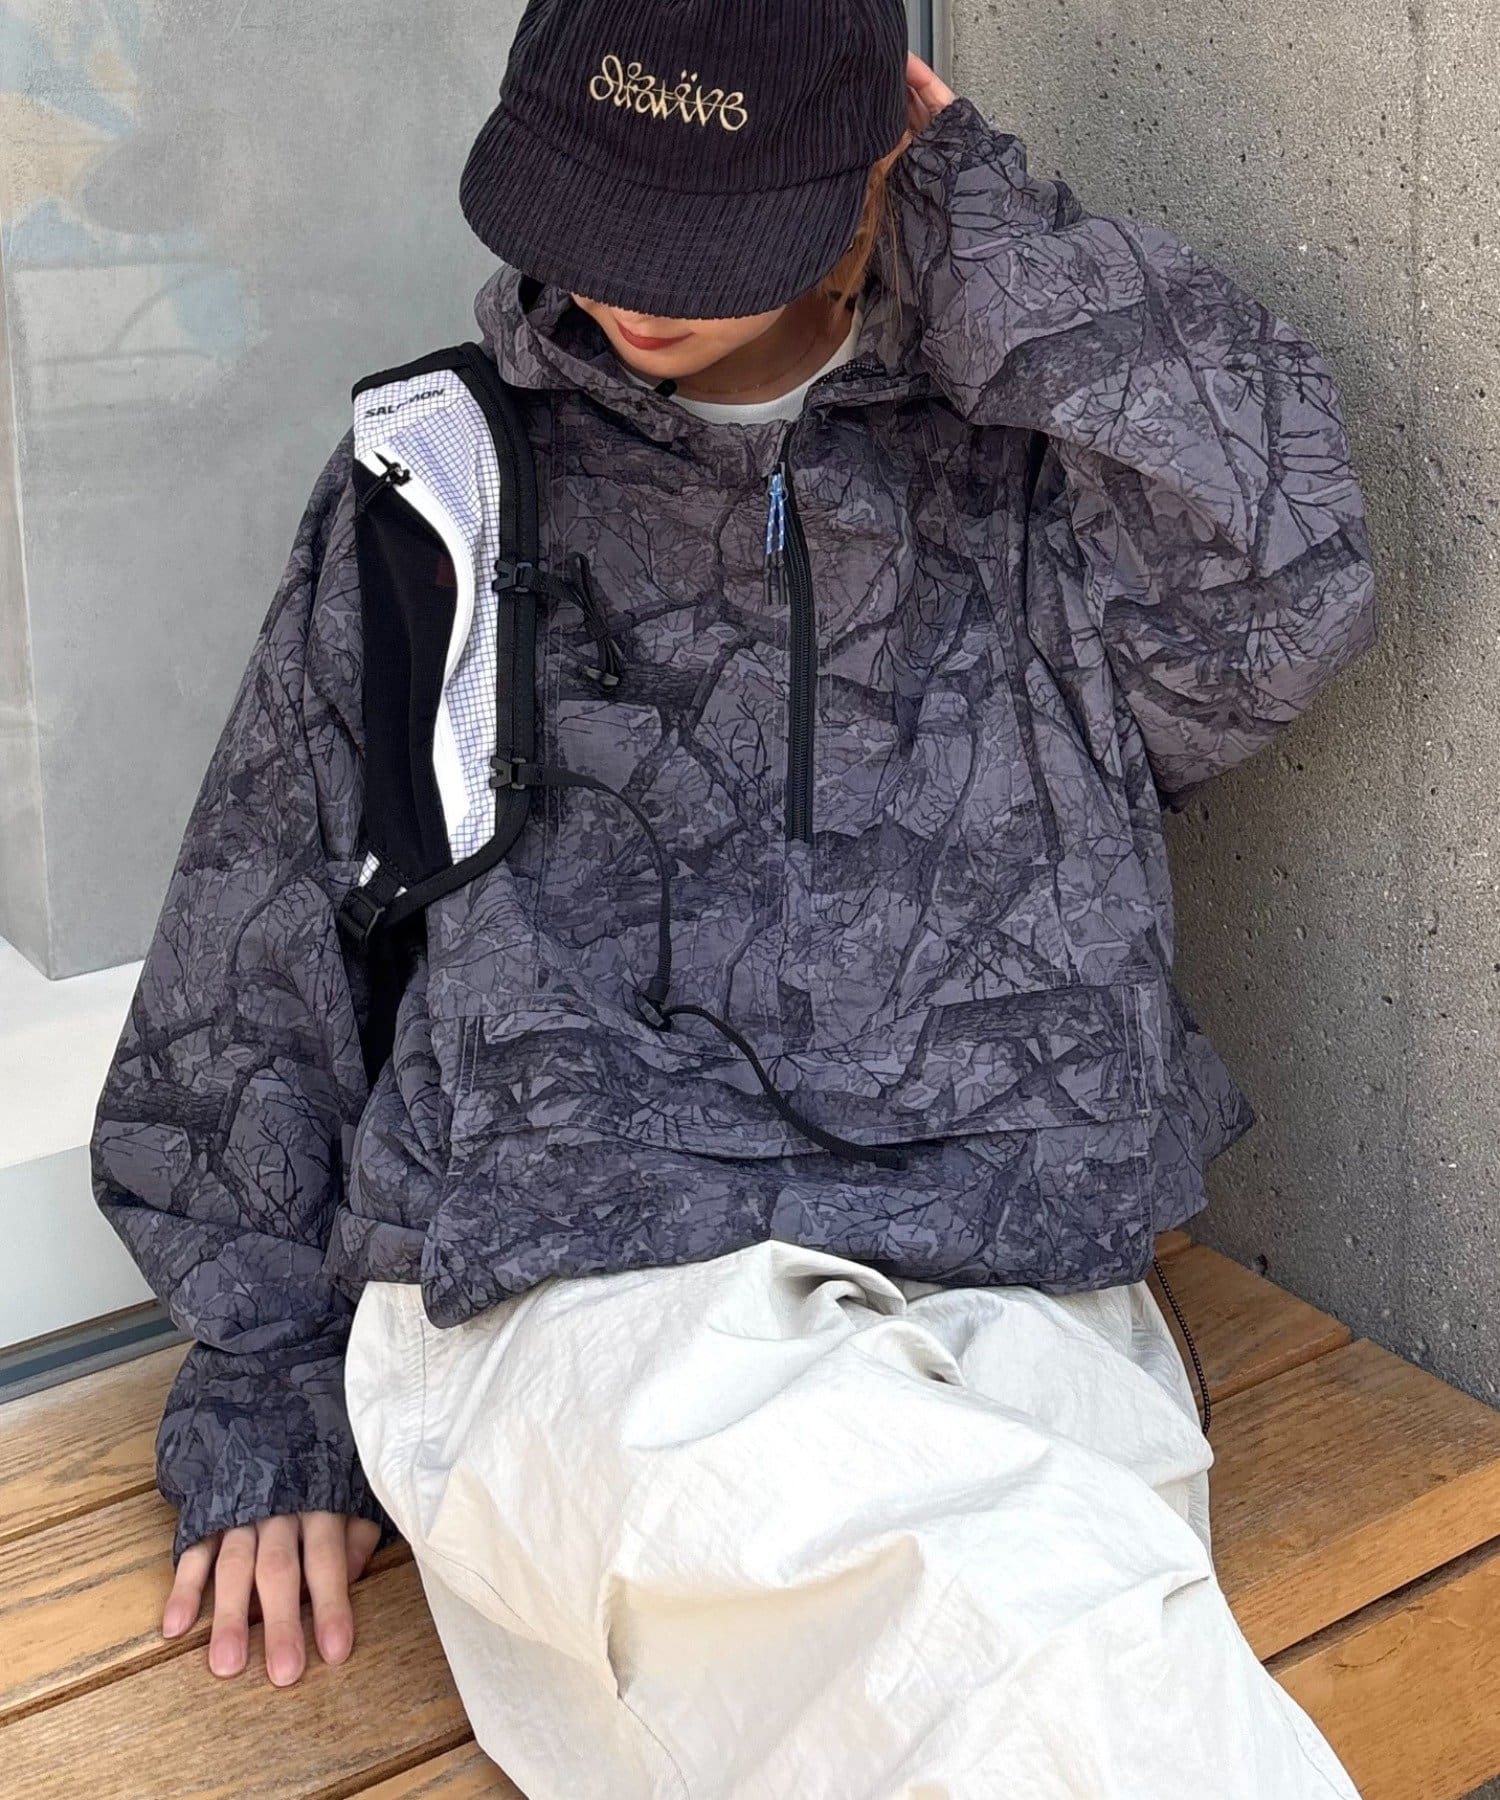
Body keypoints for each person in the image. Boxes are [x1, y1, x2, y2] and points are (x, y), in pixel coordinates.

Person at [90, 0, 1377, 1792]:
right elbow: (269, 919)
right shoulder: (449, 478)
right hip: (574, 1287)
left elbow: (1279, 597)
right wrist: (266, 1367)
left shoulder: (1032, 474)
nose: (628, 286)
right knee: (997, 1639)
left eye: (697, 229)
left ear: (868, 165)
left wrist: (980, 224)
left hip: (1002, 1276)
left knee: (1043, 1654)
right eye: (592, 211)